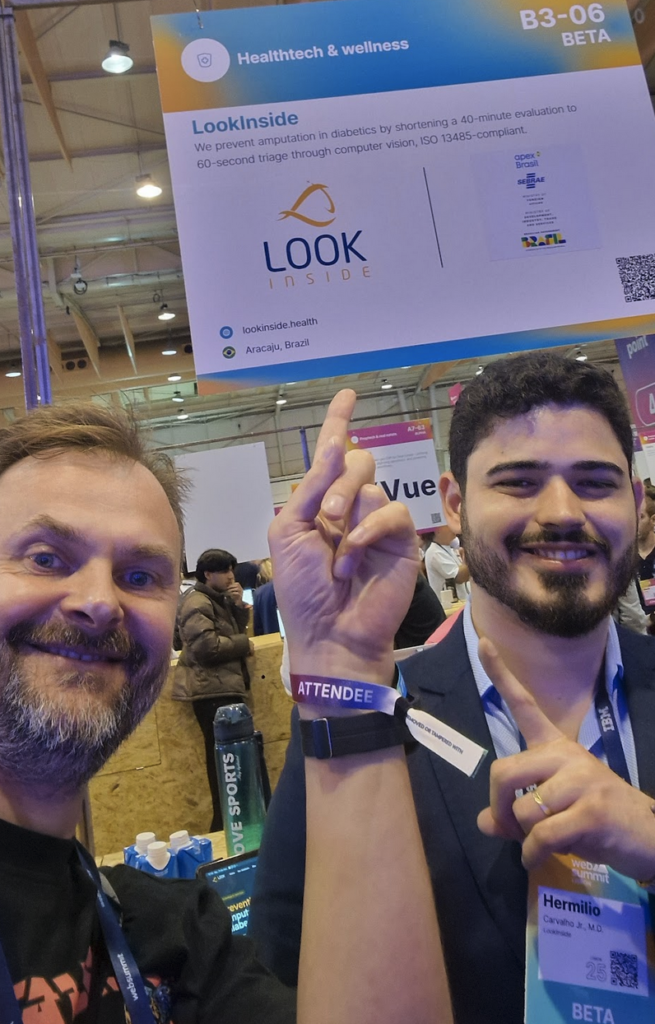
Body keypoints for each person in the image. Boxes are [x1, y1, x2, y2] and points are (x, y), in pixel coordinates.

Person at [0, 398, 450, 1024]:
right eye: (45, 558)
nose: (100, 601)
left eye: (139, 576)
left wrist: (342, 668)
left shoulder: (168, 942)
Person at [249, 351, 655, 1024]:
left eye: (594, 482)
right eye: (519, 482)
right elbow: (280, 980)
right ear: (455, 504)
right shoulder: (367, 719)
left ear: (635, 503)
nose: (562, 512)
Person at [173, 548, 253, 831]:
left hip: (221, 690)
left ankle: (232, 823)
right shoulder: (197, 601)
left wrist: (237, 606)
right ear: (208, 574)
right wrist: (243, 645)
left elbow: (232, 631)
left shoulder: (216, 599)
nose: (231, 576)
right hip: (212, 694)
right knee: (223, 766)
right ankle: (222, 826)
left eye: (232, 569)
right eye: (224, 571)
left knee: (230, 764)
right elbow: (207, 648)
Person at [424, 525, 469, 601]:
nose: (452, 527)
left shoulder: (449, 549)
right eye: (447, 525)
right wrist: (471, 556)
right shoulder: (435, 552)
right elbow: (459, 577)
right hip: (449, 605)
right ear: (437, 531)